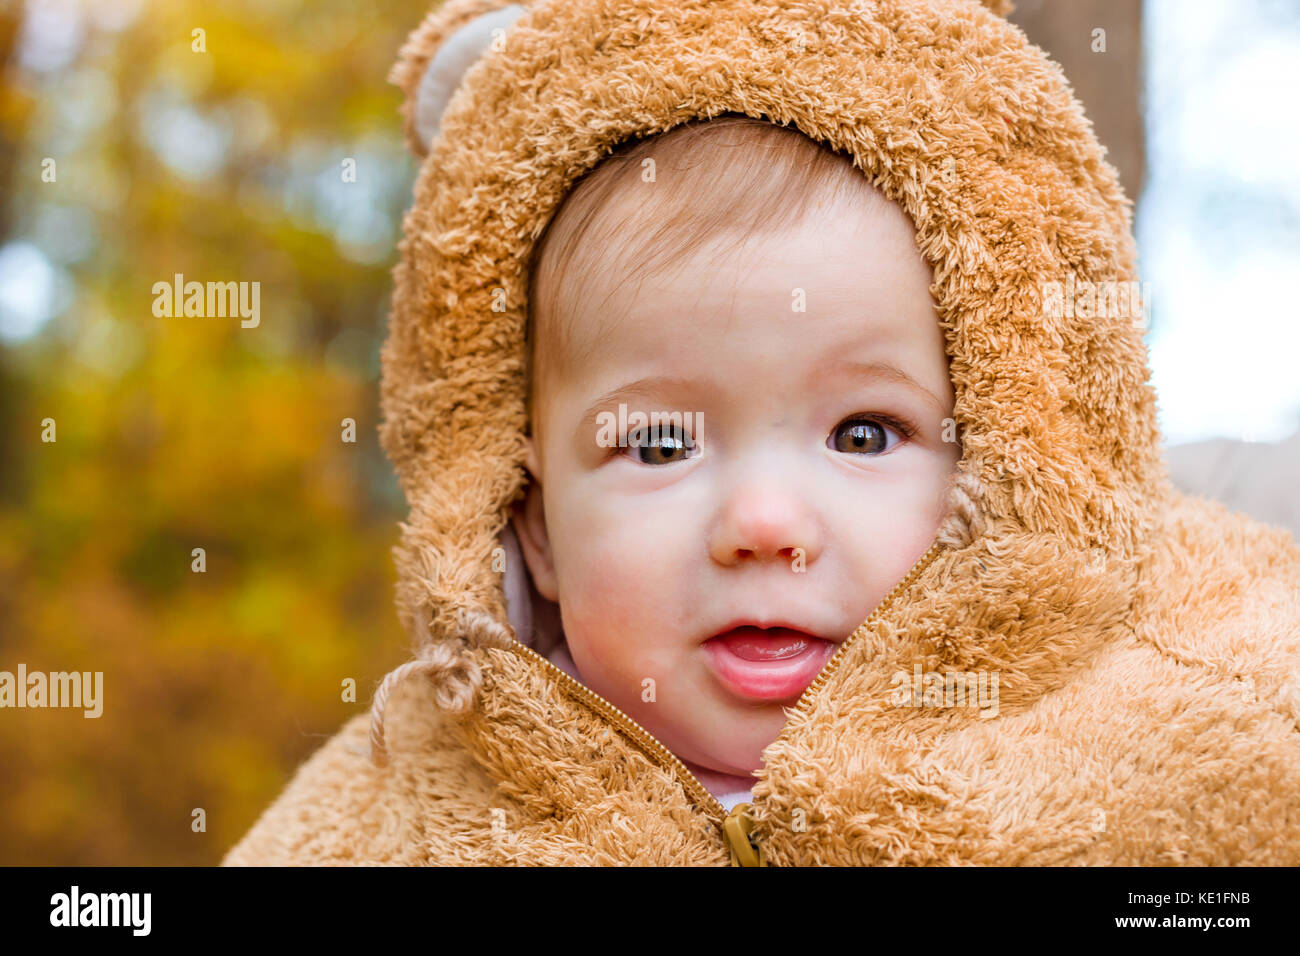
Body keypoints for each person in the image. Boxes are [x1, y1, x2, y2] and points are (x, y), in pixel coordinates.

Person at [222, 0, 1300, 866]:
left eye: (866, 434)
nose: (764, 523)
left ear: (1005, 455)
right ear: (532, 522)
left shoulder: (1180, 706)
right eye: (656, 445)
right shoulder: (401, 804)